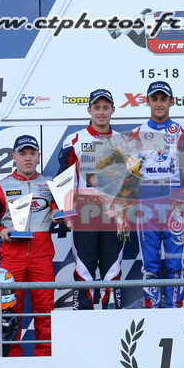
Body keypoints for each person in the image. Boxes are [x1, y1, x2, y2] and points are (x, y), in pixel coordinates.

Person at [0, 135, 59, 356]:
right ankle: (12, 358)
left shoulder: (51, 183)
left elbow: (60, 208)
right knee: (9, 309)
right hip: (12, 256)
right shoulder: (0, 186)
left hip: (42, 255)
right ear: (14, 157)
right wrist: (0, 231)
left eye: (32, 153)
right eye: (23, 154)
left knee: (45, 310)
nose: (28, 158)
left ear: (39, 156)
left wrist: (57, 213)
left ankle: (45, 357)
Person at [57, 89, 128, 310]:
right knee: (84, 268)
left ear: (113, 110)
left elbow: (131, 179)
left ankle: (112, 315)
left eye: (105, 108)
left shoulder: (124, 141)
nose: (101, 112)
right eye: (97, 108)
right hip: (84, 212)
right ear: (89, 110)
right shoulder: (74, 140)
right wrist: (59, 208)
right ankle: (83, 317)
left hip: (113, 212)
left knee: (112, 269)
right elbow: (64, 177)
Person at [129, 81, 184, 308]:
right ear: (147, 101)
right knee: (150, 263)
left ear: (171, 102)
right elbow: (125, 174)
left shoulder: (183, 134)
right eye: (154, 99)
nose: (159, 104)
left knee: (175, 263)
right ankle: (153, 309)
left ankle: (173, 308)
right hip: (147, 204)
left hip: (174, 203)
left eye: (163, 99)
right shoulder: (136, 134)